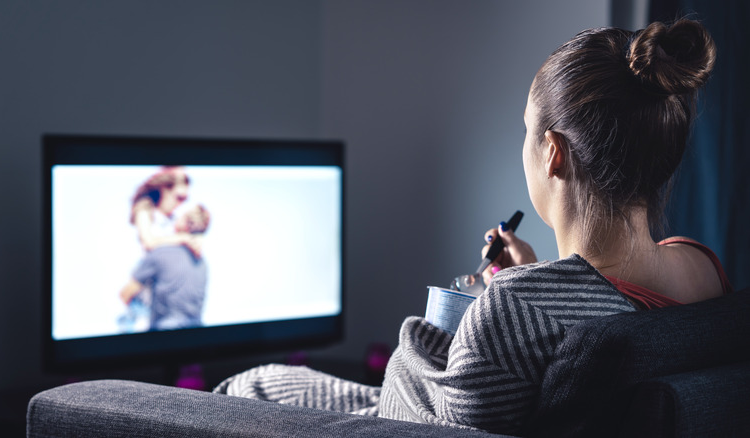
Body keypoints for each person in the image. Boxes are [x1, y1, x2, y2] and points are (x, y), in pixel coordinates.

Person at [213, 19, 732, 435]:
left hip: (393, 417)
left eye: (526, 131)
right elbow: (608, 302)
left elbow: (409, 415)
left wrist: (464, 309)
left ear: (553, 154)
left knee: (251, 385)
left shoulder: (517, 308)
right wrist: (532, 277)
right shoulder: (701, 265)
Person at [119, 204, 211, 330]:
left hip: (163, 335)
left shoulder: (161, 253)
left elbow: (126, 293)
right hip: (196, 334)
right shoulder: (202, 263)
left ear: (185, 223)